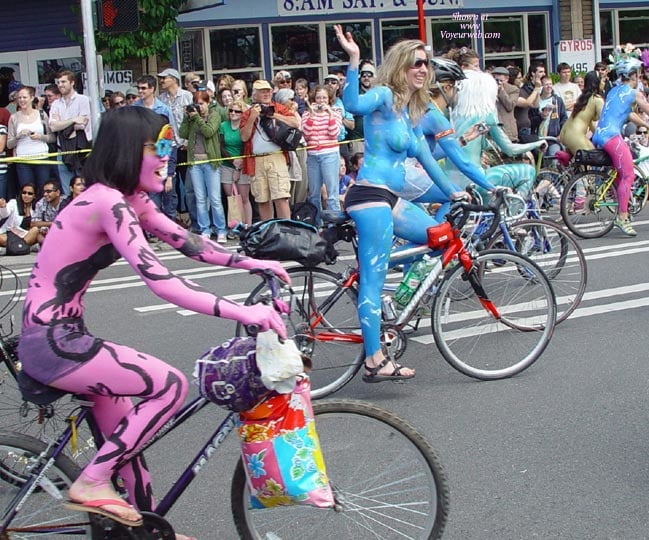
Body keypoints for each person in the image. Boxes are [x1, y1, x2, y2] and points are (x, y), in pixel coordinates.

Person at [16, 106, 288, 537]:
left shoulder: (129, 200)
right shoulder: (107, 202)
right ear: (128, 150)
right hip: (52, 343)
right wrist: (244, 310)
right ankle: (89, 482)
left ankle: (144, 532)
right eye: (158, 146)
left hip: (66, 337)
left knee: (131, 461)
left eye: (169, 146)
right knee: (170, 385)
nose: (167, 156)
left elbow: (191, 245)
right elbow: (162, 283)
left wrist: (257, 264)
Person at [334, 24, 464, 383]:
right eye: (416, 63)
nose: (423, 69)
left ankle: (401, 296)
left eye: (426, 64)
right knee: (373, 281)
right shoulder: (382, 96)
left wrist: (457, 193)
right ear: (401, 66)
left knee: (439, 236)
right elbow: (351, 104)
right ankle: (375, 359)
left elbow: (426, 157)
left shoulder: (409, 113)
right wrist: (354, 59)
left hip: (390, 199)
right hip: (370, 197)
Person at [592, 57, 649, 236]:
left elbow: (627, 114)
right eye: (638, 74)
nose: (639, 77)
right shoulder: (634, 93)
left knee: (619, 173)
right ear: (633, 75)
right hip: (612, 137)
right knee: (629, 174)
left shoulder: (613, 91)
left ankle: (621, 206)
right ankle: (622, 218)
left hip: (600, 134)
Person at [239, 79, 300, 220]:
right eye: (262, 91)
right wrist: (252, 117)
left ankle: (286, 230)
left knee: (281, 197)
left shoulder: (278, 107)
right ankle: (269, 231)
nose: (266, 94)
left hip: (277, 156)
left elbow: (295, 123)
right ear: (254, 95)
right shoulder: (248, 113)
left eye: (268, 91)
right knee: (262, 199)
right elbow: (244, 137)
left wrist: (273, 115)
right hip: (257, 160)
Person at [178, 89, 227, 242]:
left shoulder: (214, 115)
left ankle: (220, 229)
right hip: (195, 163)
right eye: (197, 104)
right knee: (200, 198)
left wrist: (198, 118)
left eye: (201, 104)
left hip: (211, 163)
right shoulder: (192, 119)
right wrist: (187, 117)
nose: (199, 107)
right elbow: (182, 133)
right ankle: (204, 228)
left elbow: (209, 131)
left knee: (214, 198)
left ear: (207, 103)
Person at [301, 84, 343, 225]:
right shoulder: (307, 113)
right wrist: (312, 116)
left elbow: (334, 133)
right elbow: (306, 134)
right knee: (314, 194)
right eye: (318, 98)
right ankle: (316, 223)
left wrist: (330, 114)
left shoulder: (336, 112)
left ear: (329, 99)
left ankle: (335, 225)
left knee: (332, 194)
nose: (321, 101)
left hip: (330, 154)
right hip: (313, 155)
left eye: (324, 98)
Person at [49, 70, 92, 195]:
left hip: (80, 149)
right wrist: (73, 120)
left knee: (84, 187)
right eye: (58, 82)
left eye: (63, 82)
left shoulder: (83, 100)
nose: (60, 85)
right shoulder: (56, 104)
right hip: (62, 150)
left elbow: (82, 124)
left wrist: (62, 124)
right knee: (68, 190)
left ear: (72, 83)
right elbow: (53, 126)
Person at [6, 86, 56, 193]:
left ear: (32, 98)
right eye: (19, 98)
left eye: (24, 97)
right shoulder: (14, 117)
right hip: (23, 160)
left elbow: (52, 137)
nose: (21, 100)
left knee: (44, 190)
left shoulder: (41, 114)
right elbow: (9, 144)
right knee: (27, 191)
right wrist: (18, 136)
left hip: (42, 157)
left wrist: (40, 137)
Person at [219, 99, 253, 231]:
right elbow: (220, 146)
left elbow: (246, 145)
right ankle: (235, 224)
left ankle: (248, 225)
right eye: (231, 110)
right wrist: (232, 161)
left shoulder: (244, 126)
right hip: (227, 163)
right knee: (232, 197)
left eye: (237, 111)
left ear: (242, 113)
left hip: (243, 163)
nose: (233, 113)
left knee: (244, 197)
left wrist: (239, 165)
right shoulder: (223, 125)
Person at [559, 71, 604, 156]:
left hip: (565, 132)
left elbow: (589, 123)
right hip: (575, 135)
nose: (603, 83)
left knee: (582, 162)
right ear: (597, 83)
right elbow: (604, 120)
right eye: (602, 80)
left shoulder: (582, 97)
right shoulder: (597, 99)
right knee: (593, 159)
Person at [0, 186, 39, 250]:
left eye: (30, 193)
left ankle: (10, 249)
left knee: (35, 230)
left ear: (34, 196)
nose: (26, 195)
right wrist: (3, 207)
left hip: (25, 236)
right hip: (9, 235)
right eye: (24, 192)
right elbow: (5, 213)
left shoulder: (36, 208)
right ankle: (24, 248)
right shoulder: (14, 202)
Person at [514, 62, 545, 142]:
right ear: (533, 73)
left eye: (544, 72)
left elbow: (536, 105)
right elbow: (528, 103)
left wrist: (537, 88)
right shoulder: (524, 88)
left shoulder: (540, 85)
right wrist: (536, 89)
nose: (543, 74)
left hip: (533, 121)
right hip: (523, 123)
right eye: (540, 72)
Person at [31, 179, 65, 244]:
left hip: (62, 231)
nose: (45, 194)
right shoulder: (41, 203)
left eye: (48, 191)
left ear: (57, 192)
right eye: (44, 191)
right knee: (38, 234)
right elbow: (33, 223)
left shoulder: (65, 201)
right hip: (46, 232)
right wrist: (51, 224)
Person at [492, 66, 519, 142]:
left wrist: (501, 90)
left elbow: (510, 106)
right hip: (493, 128)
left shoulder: (513, 89)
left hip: (508, 129)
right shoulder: (489, 89)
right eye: (496, 80)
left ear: (507, 79)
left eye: (501, 80)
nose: (498, 82)